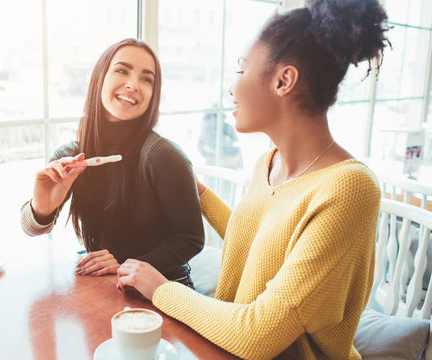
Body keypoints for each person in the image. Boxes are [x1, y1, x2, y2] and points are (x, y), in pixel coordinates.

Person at [116, 0, 390, 358]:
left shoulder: (350, 189)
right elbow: (262, 249)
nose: (232, 88)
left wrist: (160, 288)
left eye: (241, 71)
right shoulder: (268, 163)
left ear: (283, 80)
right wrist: (200, 193)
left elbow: (258, 335)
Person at [20, 38, 204, 288]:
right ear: (99, 78)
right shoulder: (73, 156)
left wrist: (125, 266)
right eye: (122, 70)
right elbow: (31, 229)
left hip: (165, 289)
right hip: (106, 283)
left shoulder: (163, 155)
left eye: (146, 79)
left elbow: (190, 238)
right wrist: (41, 207)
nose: (133, 84)